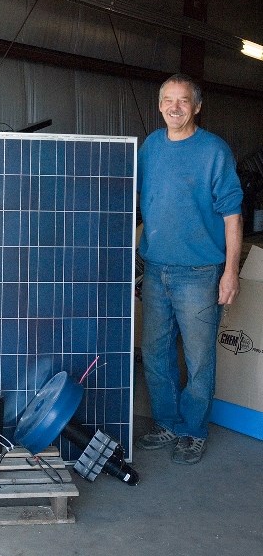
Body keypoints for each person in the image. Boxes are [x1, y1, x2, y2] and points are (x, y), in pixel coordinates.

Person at [135, 73, 243, 464]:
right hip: (156, 267)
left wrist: (230, 272)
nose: (174, 107)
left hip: (198, 274)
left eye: (183, 101)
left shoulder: (214, 151)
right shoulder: (150, 148)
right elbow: (137, 199)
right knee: (155, 352)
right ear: (160, 104)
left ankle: (193, 430)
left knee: (198, 359)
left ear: (197, 107)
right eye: (168, 100)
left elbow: (232, 215)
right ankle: (168, 423)